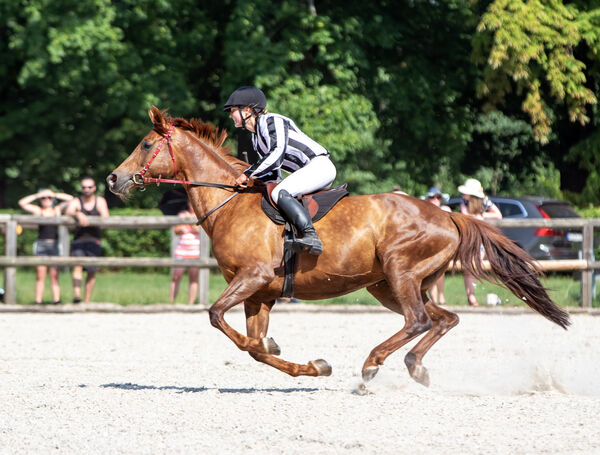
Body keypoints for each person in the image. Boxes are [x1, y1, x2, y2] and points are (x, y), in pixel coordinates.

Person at [223, 86, 337, 256]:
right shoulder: (256, 138)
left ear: (247, 110)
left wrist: (248, 173)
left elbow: (276, 154)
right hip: (310, 171)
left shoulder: (272, 120)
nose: (231, 115)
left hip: (319, 166)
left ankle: (310, 236)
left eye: (233, 110)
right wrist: (252, 184)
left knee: (280, 193)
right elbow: (274, 173)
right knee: (275, 192)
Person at [18, 189, 73, 304]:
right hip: (41, 245)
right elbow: (22, 203)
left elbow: (71, 199)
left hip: (54, 245)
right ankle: (38, 301)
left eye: (49, 198)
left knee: (54, 276)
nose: (47, 200)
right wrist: (37, 195)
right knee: (40, 275)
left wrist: (54, 194)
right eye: (44, 198)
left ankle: (56, 300)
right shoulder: (39, 211)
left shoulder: (57, 210)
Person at [458, 178, 502, 306]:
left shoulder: (484, 201)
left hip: (481, 238)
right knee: (470, 267)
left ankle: (471, 295)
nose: (464, 194)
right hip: (468, 237)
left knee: (474, 266)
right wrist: (476, 216)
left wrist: (482, 215)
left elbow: (498, 215)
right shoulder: (464, 201)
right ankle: (470, 296)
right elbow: (465, 214)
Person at [65, 177, 110, 303]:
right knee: (77, 267)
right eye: (84, 187)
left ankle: (86, 301)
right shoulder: (76, 201)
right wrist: (77, 214)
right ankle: (77, 297)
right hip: (79, 240)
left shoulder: (100, 201)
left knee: (91, 272)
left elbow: (106, 216)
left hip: (94, 240)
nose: (86, 189)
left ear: (94, 188)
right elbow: (68, 212)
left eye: (89, 187)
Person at [424, 187, 451, 306]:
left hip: (442, 245)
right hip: (428, 245)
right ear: (428, 199)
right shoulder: (423, 210)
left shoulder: (445, 210)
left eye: (438, 197)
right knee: (430, 272)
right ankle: (434, 299)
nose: (435, 199)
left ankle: (441, 296)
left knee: (440, 272)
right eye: (432, 197)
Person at [170, 202, 201, 305]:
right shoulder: (182, 214)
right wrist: (181, 228)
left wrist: (190, 221)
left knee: (193, 278)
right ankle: (171, 301)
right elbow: (176, 230)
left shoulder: (200, 215)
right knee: (176, 277)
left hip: (195, 251)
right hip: (182, 250)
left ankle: (191, 303)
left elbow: (198, 230)